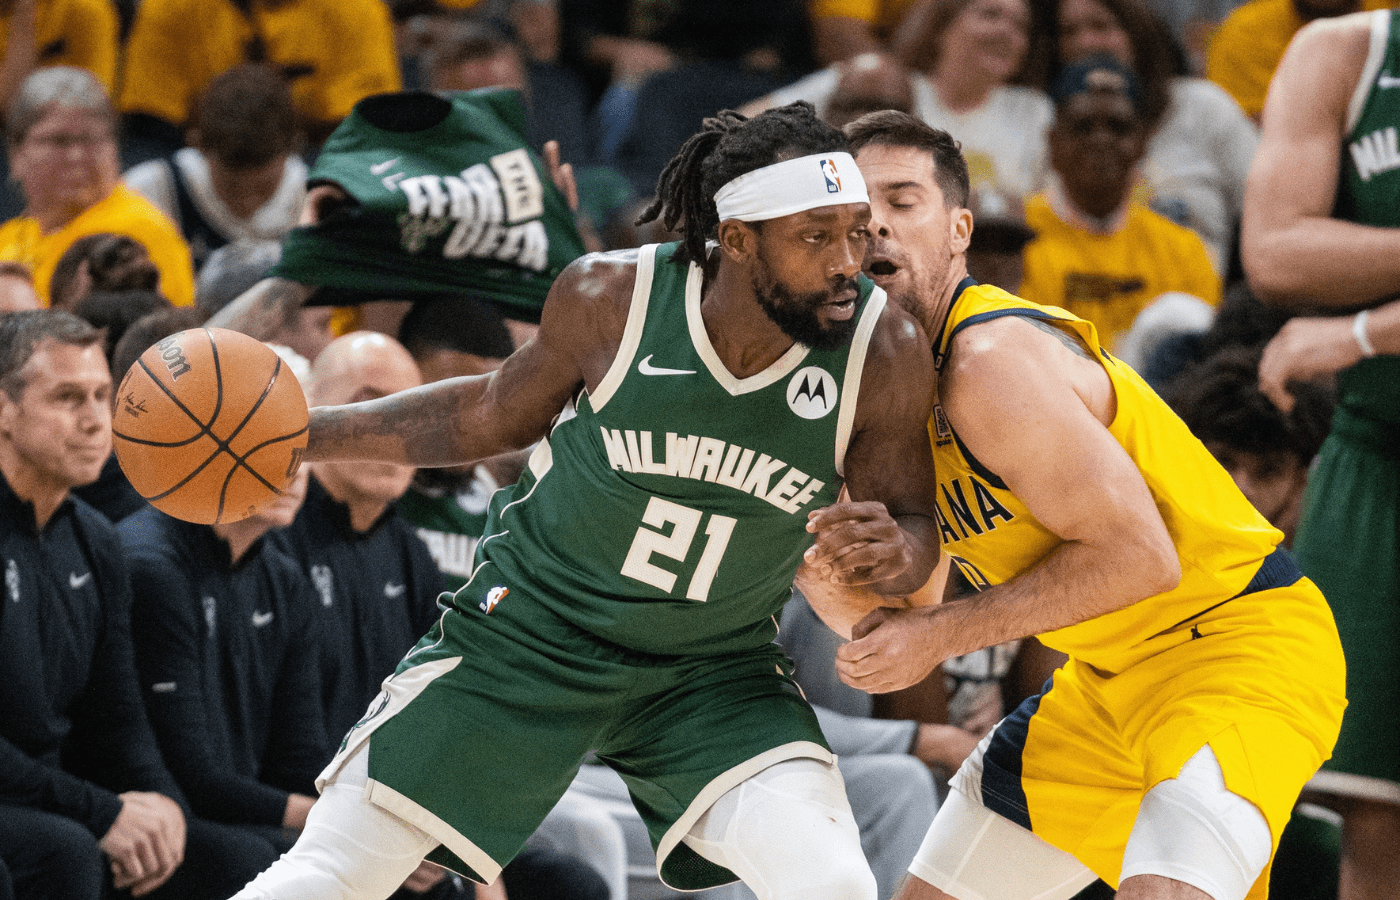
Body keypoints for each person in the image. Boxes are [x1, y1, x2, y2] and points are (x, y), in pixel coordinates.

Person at [225, 100, 942, 900]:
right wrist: (304, 433)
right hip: (533, 638)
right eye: (817, 236)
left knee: (833, 882)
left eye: (857, 228)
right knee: (332, 873)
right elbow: (486, 414)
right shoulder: (612, 299)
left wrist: (895, 550)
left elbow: (913, 527)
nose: (850, 260)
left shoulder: (883, 349)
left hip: (710, 671)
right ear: (738, 240)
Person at [824, 108, 1345, 900]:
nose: (880, 228)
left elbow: (1141, 557)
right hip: (1103, 681)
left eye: (903, 201)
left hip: (1234, 646)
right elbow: (906, 604)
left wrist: (936, 634)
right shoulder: (877, 391)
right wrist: (822, 569)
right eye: (860, 214)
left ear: (958, 229)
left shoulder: (989, 359)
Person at [0, 309, 276, 900]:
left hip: (57, 795)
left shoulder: (96, 539)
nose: (95, 420)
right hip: (27, 802)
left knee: (232, 858)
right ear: (4, 408)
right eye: (67, 397)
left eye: (104, 396)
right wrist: (102, 812)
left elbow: (119, 718)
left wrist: (166, 813)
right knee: (65, 851)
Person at [1240, 9, 1400, 900]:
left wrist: (1364, 329)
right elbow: (1276, 253)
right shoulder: (1346, 54)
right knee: (1374, 818)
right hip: (1377, 458)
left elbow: (1323, 266)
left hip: (1368, 387)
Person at [121, 445, 325, 863]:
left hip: (233, 812)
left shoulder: (283, 578)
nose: (291, 472)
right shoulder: (153, 565)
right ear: (210, 449)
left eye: (299, 452)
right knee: (256, 860)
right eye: (268, 450)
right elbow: (191, 775)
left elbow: (300, 759)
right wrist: (338, 822)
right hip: (159, 812)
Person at [1018, 55, 1222, 352]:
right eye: (1083, 127)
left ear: (1142, 144)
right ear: (1052, 142)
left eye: (1118, 127)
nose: (1101, 140)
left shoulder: (1184, 251)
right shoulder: (1011, 241)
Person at [747, 0, 1052, 198]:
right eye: (991, 14)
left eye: (1020, 26)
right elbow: (751, 120)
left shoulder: (1034, 110)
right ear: (941, 28)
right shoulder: (886, 86)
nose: (1006, 32)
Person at [1045, 0, 1258, 274]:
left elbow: (1268, 211)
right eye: (1068, 32)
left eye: (1101, 26)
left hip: (1201, 294)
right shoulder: (1045, 116)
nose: (1085, 42)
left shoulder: (1204, 106)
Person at [0, 66, 196, 307]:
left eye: (90, 139)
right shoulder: (9, 237)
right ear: (16, 154)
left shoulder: (134, 233)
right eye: (59, 140)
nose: (76, 155)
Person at [116, 0, 401, 163]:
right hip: (200, 167)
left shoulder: (357, 10)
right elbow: (149, 130)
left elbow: (367, 136)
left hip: (310, 166)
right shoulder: (171, 8)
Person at [123, 63, 308, 272]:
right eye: (232, 187)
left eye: (263, 188)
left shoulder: (314, 198)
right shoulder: (147, 192)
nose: (248, 201)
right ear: (199, 149)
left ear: (293, 151)